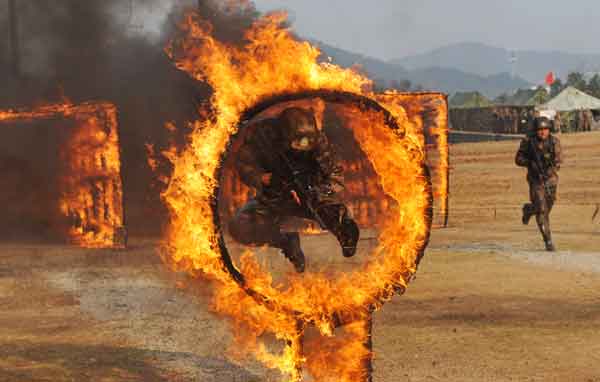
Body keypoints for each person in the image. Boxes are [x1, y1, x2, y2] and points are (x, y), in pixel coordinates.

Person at [228, 107, 360, 273]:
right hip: (275, 196)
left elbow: (335, 174)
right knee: (242, 226)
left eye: (306, 142)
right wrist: (262, 178)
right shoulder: (263, 137)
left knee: (331, 215)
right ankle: (286, 243)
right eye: (296, 142)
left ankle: (344, 232)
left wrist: (320, 192)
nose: (301, 147)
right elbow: (244, 164)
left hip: (313, 194)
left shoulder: (318, 142)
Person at [515, 116, 562, 251]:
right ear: (536, 130)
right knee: (541, 210)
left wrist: (551, 164)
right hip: (535, 180)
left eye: (545, 129)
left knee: (546, 208)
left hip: (551, 179)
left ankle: (529, 209)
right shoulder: (528, 142)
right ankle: (548, 241)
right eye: (540, 129)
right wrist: (529, 162)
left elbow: (559, 160)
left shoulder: (554, 142)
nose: (542, 132)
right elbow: (518, 159)